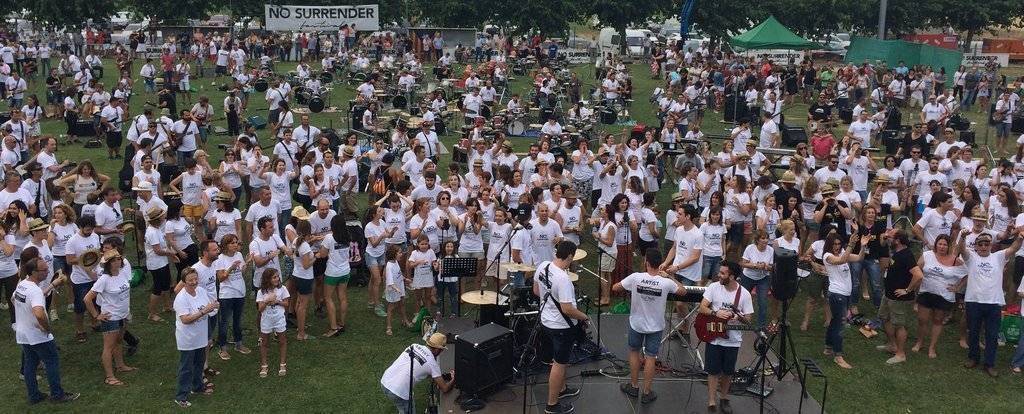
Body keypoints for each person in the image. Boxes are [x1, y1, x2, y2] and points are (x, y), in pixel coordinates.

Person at [612, 249, 684, 404]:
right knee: (651, 357)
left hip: (636, 324)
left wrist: (631, 286)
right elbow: (683, 291)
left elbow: (615, 287)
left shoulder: (635, 277)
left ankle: (634, 386)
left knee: (633, 352)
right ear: (660, 265)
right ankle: (646, 392)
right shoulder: (666, 282)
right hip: (656, 326)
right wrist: (669, 276)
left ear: (646, 263)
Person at [955, 229, 1023, 377]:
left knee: (992, 335)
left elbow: (1014, 248)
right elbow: (961, 249)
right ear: (976, 246)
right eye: (981, 244)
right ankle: (973, 358)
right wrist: (963, 237)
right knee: (973, 332)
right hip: (974, 301)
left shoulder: (998, 257)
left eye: (987, 243)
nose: (984, 246)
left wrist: (1020, 237)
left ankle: (989, 364)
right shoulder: (971, 257)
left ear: (991, 245)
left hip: (994, 303)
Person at [15, 256, 81, 404]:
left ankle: (34, 395)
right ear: (33, 272)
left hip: (23, 333)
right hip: (37, 334)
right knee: (52, 360)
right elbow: (39, 313)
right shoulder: (35, 291)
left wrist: (51, 285)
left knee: (30, 364)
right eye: (44, 270)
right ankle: (57, 395)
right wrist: (46, 327)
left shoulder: (22, 284)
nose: (47, 272)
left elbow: (14, 300)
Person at [534, 241, 587, 414]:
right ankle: (552, 405)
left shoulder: (543, 265)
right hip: (561, 327)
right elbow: (567, 309)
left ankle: (562, 389)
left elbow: (536, 290)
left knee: (554, 359)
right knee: (559, 363)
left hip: (546, 321)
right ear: (570, 256)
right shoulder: (563, 279)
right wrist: (584, 316)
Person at [698, 261, 753, 413]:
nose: (719, 275)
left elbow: (748, 319)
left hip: (732, 341)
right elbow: (702, 307)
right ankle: (711, 400)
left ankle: (724, 398)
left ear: (732, 276)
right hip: (714, 337)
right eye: (719, 272)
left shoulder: (744, 294)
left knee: (728, 372)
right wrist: (715, 313)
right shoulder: (713, 287)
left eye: (723, 273)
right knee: (713, 370)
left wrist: (737, 317)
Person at [83, 250, 135, 386]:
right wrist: (96, 315)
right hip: (110, 318)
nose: (118, 261)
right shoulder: (104, 279)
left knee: (118, 341)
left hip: (122, 315)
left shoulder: (122, 274)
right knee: (109, 347)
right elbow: (87, 299)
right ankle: (109, 377)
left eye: (119, 258)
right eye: (114, 260)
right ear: (108, 264)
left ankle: (120, 365)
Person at [912, 234, 965, 359]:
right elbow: (916, 269)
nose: (942, 247)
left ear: (949, 246)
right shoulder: (927, 255)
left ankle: (932, 347)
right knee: (922, 320)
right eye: (940, 244)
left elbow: (967, 273)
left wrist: (957, 287)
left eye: (945, 244)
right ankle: (919, 342)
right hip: (926, 292)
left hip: (944, 296)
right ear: (936, 244)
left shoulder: (955, 260)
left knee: (937, 320)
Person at [173, 268, 218, 408]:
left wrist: (214, 307)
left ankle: (198, 387)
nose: (194, 282)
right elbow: (186, 319)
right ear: (184, 282)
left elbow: (210, 307)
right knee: (186, 368)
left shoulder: (201, 291)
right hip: (188, 339)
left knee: (199, 363)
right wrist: (204, 311)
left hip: (201, 335)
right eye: (190, 280)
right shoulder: (181, 298)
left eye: (195, 279)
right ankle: (181, 396)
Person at [877, 229, 924, 365]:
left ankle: (901, 354)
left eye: (890, 237)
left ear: (897, 241)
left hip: (899, 299)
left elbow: (918, 275)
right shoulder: (897, 253)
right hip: (889, 295)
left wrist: (907, 290)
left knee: (899, 325)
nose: (888, 238)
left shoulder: (906, 255)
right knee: (884, 318)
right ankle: (892, 345)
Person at [379, 333, 455, 414]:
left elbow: (420, 368)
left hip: (385, 381)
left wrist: (440, 377)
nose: (441, 352)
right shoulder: (432, 364)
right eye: (442, 350)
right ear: (437, 349)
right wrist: (454, 378)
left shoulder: (413, 346)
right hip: (398, 392)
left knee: (403, 405)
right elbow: (445, 388)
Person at [319, 213, 352, 337]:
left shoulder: (329, 238)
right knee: (342, 297)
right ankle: (342, 323)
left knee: (328, 298)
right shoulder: (348, 236)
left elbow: (322, 254)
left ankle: (333, 327)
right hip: (345, 270)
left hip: (332, 272)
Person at [256, 268, 289, 378]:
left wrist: (277, 301)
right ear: (267, 279)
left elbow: (286, 304)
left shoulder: (282, 289)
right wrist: (267, 301)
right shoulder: (261, 292)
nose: (277, 279)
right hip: (266, 320)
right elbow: (260, 309)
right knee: (264, 342)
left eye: (277, 276)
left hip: (279, 319)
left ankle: (283, 364)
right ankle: (264, 365)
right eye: (274, 277)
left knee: (282, 340)